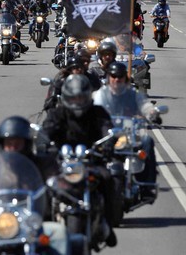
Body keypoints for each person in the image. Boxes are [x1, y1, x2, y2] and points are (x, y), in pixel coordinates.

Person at [42, 74, 118, 247]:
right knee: (46, 184)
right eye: (74, 98)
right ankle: (43, 225)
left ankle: (108, 223)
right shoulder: (58, 113)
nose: (77, 102)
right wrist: (44, 143)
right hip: (62, 163)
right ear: (67, 97)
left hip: (91, 161)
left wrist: (108, 144)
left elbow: (107, 129)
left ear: (88, 96)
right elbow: (46, 131)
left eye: (81, 97)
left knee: (107, 178)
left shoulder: (97, 113)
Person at [92, 62, 160, 200]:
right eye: (114, 76)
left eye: (120, 76)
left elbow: (144, 104)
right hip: (106, 134)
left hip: (128, 133)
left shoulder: (133, 94)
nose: (117, 79)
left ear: (125, 78)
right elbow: (90, 107)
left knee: (147, 141)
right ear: (108, 77)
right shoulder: (99, 95)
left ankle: (147, 185)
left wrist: (151, 112)